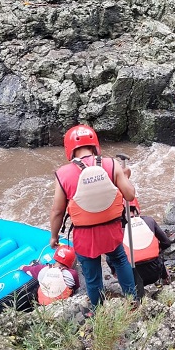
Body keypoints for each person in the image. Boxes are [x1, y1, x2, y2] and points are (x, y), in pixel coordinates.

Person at [50, 125, 138, 310]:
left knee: (92, 275)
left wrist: (54, 236)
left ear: (70, 148)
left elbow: (57, 211)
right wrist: (126, 176)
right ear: (94, 144)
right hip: (111, 231)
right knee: (121, 261)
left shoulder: (63, 174)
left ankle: (98, 311)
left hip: (84, 235)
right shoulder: (111, 164)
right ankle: (133, 300)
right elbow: (129, 195)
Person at [112, 198, 173, 286]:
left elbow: (110, 259)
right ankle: (165, 277)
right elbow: (166, 243)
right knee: (157, 250)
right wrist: (156, 249)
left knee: (116, 257)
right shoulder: (149, 221)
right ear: (137, 209)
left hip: (133, 278)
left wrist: (114, 271)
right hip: (155, 274)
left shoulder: (118, 229)